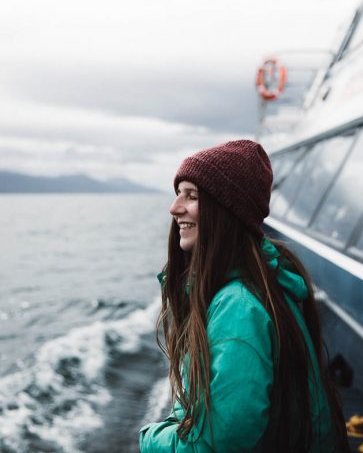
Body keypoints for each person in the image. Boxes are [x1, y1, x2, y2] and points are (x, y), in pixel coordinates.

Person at [139, 140, 349, 452]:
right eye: (178, 193)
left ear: (225, 212)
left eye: (191, 195)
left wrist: (151, 440)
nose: (175, 207)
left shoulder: (239, 307)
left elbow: (222, 440)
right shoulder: (265, 282)